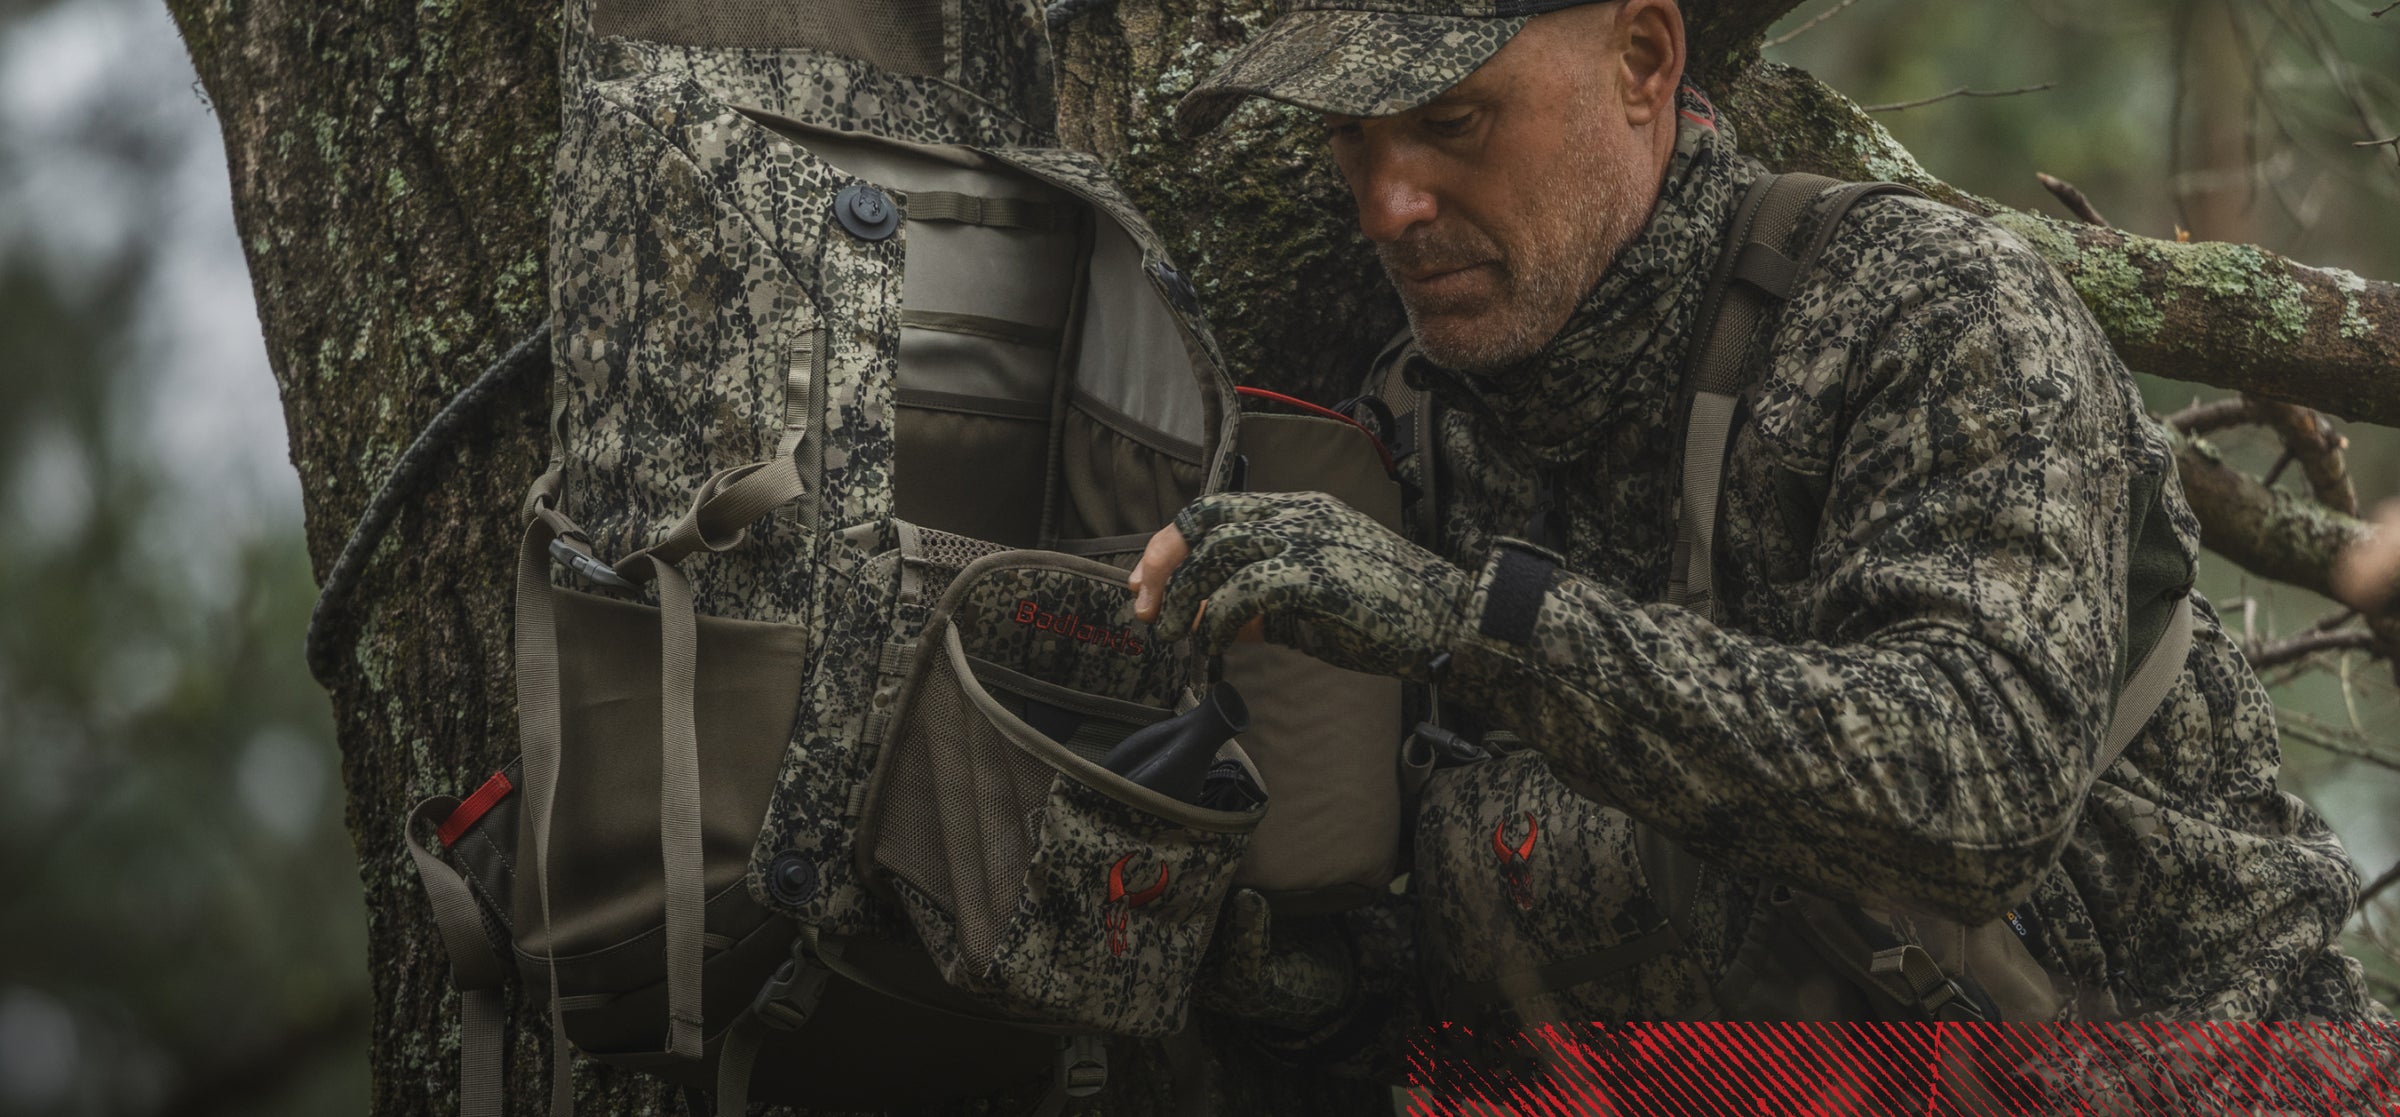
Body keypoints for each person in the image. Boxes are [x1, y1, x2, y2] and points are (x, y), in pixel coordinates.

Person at [1126, 0, 2389, 1069]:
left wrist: (1475, 623)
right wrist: (1343, 983)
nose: (1388, 204)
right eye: (1352, 139)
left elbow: (1976, 787)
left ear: (1642, 62)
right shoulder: (1412, 419)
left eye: (1452, 123)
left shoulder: (1933, 310)